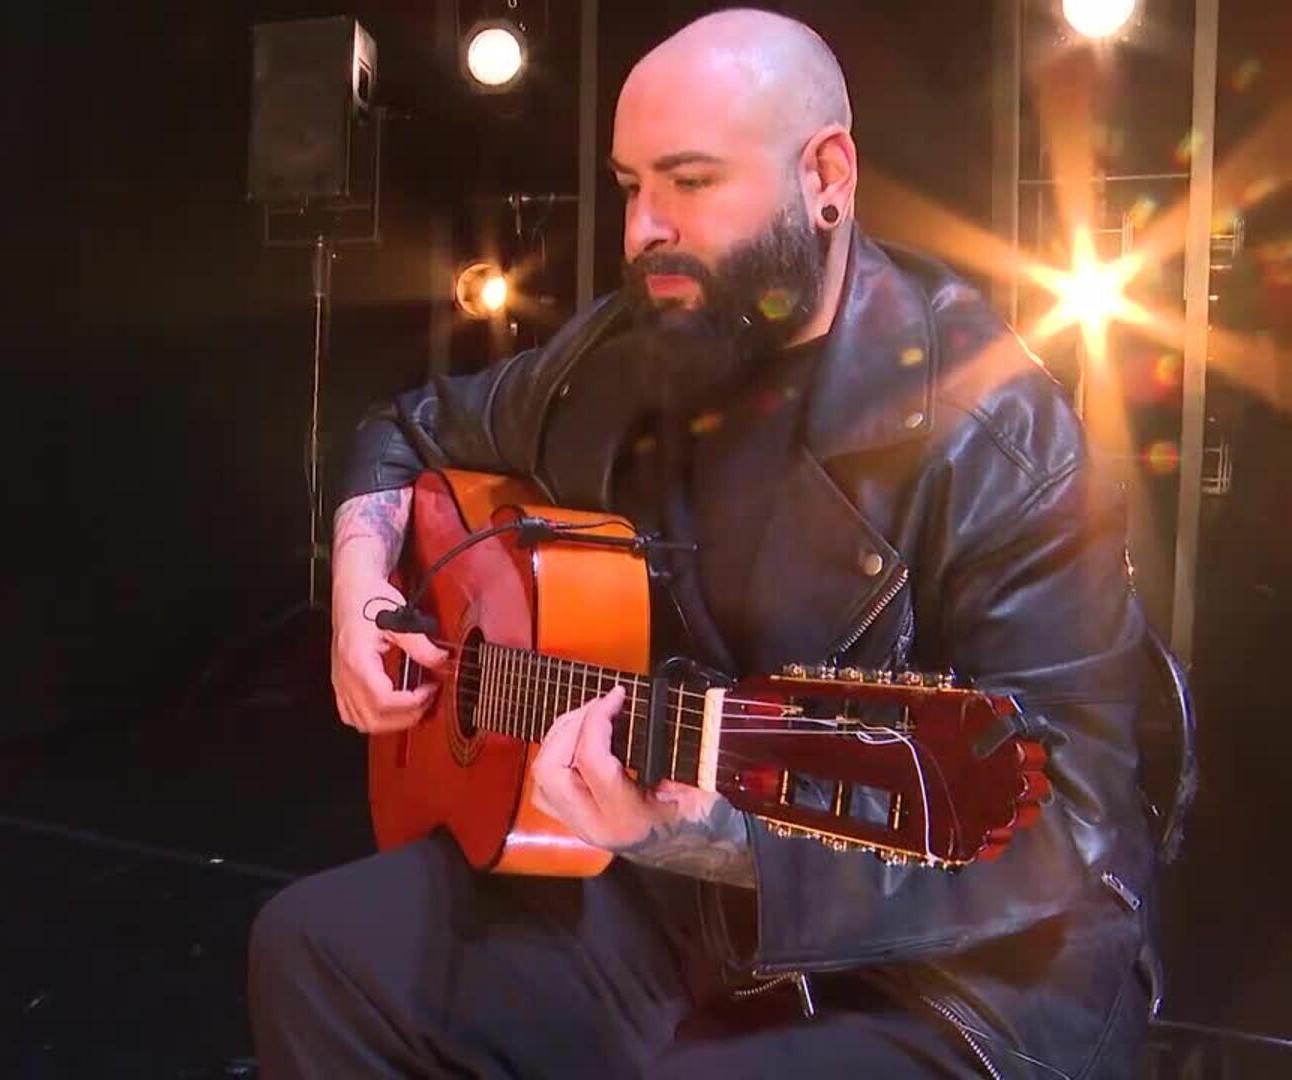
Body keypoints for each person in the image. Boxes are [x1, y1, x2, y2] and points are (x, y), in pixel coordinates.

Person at [248, 9, 1158, 1078]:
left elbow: (1065, 822)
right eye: (633, 184)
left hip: (960, 978)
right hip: (680, 903)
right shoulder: (624, 358)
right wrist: (361, 588)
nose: (642, 228)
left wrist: (712, 837)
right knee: (314, 950)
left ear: (826, 175)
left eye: (689, 181)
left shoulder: (1001, 442)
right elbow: (405, 434)